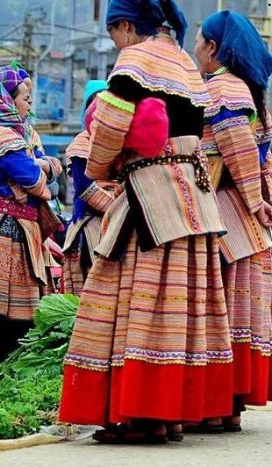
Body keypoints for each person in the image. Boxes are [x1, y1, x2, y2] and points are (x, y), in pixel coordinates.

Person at [59, 0, 234, 443]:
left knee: (136, 297)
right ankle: (172, 413)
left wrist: (101, 166)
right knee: (181, 304)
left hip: (150, 195)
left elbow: (112, 125)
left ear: (125, 25)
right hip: (193, 195)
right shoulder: (185, 63)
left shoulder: (134, 59)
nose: (114, 41)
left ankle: (143, 416)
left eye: (114, 32)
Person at [0, 65, 63, 392]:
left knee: (21, 309)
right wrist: (42, 169)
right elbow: (33, 178)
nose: (30, 99)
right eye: (24, 94)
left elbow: (39, 173)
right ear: (5, 99)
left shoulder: (25, 133)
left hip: (24, 229)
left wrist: (39, 169)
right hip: (3, 230)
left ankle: (8, 376)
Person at [194, 10, 272, 432]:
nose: (194, 49)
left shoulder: (222, 90)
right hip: (247, 216)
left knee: (219, 310)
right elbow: (263, 156)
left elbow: (239, 151)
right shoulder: (252, 93)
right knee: (238, 312)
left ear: (214, 48)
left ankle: (216, 406)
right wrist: (263, 200)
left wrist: (256, 199)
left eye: (199, 41)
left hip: (224, 209)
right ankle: (229, 408)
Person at [62, 80, 116, 296]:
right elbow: (85, 189)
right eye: (96, 105)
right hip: (91, 221)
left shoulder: (117, 142)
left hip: (118, 216)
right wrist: (120, 209)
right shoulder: (81, 144)